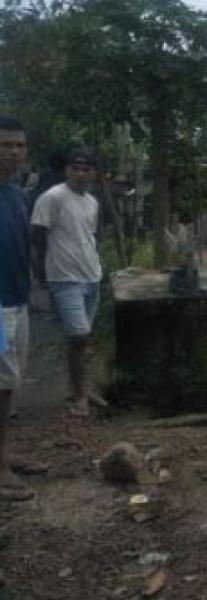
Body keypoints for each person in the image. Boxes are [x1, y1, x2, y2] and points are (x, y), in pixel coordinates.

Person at [32, 149, 105, 418]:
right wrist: (43, 274)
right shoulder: (52, 197)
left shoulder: (92, 202)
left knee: (81, 339)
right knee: (79, 336)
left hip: (91, 276)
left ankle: (77, 388)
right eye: (75, 168)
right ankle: (80, 397)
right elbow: (38, 235)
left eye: (87, 169)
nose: (80, 173)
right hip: (64, 278)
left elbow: (90, 236)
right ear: (67, 170)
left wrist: (98, 268)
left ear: (94, 174)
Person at [0, 115, 35, 500]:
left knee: (11, 384)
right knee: (1, 386)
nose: (13, 152)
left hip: (16, 299)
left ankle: (5, 452)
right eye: (5, 144)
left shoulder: (16, 194)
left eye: (19, 145)